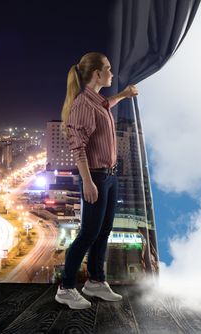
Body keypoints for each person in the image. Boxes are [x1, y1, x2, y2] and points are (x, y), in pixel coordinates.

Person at [55, 52, 138, 309]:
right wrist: (88, 181)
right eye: (109, 69)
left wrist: (123, 95)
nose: (112, 74)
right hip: (97, 178)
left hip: (109, 176)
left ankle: (95, 281)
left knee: (103, 231)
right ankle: (66, 287)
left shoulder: (97, 102)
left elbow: (105, 107)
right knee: (88, 233)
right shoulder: (82, 105)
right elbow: (77, 147)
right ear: (97, 74)